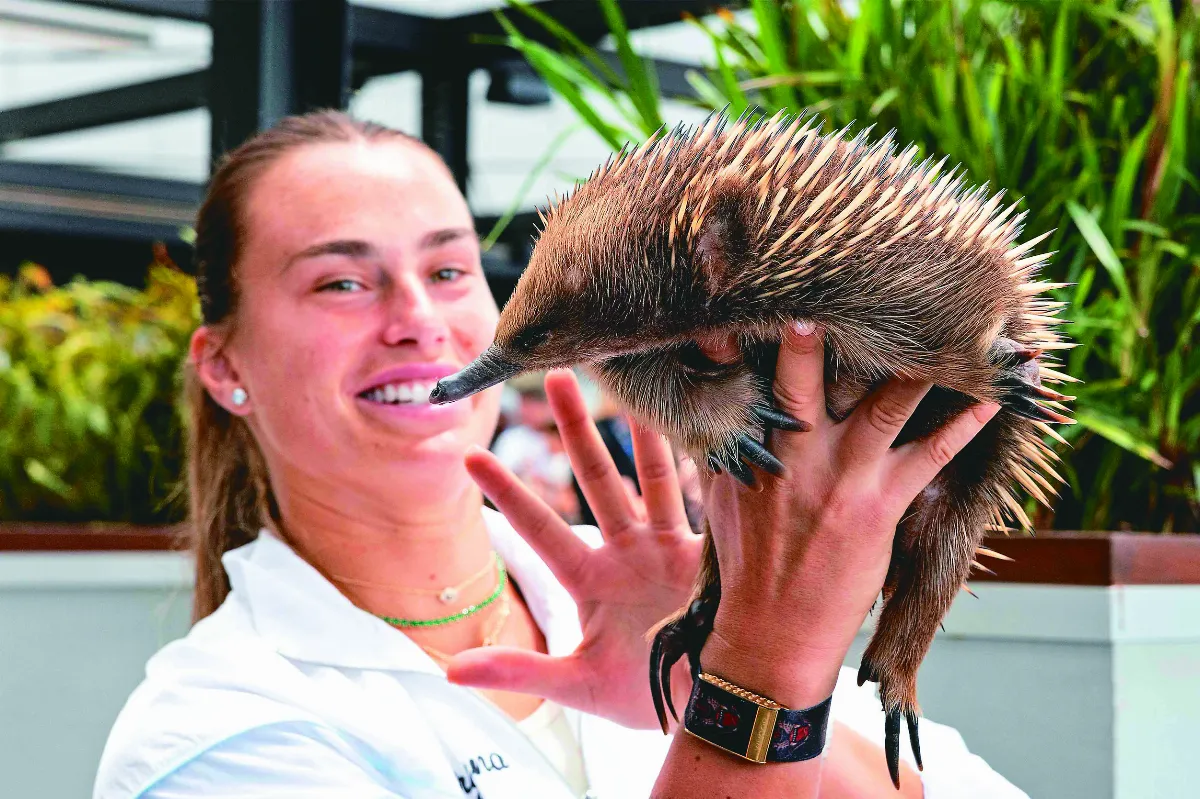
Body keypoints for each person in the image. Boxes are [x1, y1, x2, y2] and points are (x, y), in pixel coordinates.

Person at [92, 111, 1027, 799]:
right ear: (224, 367)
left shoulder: (659, 591)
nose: (419, 321)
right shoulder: (215, 734)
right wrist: (762, 671)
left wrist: (714, 680)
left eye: (448, 269)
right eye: (341, 281)